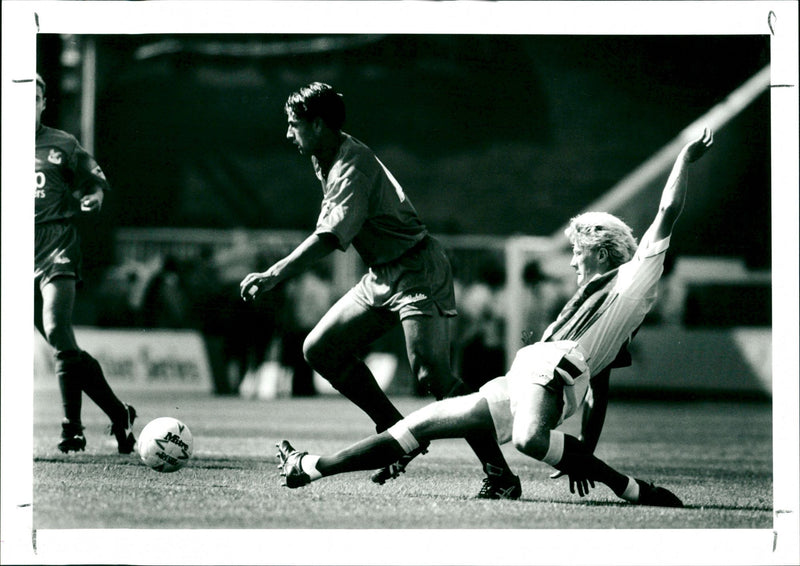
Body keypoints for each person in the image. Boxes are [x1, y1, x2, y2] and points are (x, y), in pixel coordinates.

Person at [276, 128, 714, 507]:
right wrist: (584, 449)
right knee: (417, 424)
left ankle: (632, 489)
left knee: (529, 440)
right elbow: (600, 388)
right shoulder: (595, 303)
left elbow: (665, 212)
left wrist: (683, 158)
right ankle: (311, 467)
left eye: (577, 253)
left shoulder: (634, 279)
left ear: (600, 252)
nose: (572, 262)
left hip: (551, 373)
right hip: (524, 374)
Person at [241, 82, 519, 498]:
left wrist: (276, 272)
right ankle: (396, 436)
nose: (288, 134)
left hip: (416, 268)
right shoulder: (326, 153)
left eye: (293, 125)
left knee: (431, 374)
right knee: (320, 348)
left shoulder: (352, 164)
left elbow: (329, 236)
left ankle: (500, 474)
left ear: (318, 125)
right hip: (382, 274)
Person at [34, 73, 136, 453]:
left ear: (44, 103)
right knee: (67, 348)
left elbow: (92, 183)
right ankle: (118, 413)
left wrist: (93, 197)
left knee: (57, 330)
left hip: (54, 244)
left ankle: (71, 426)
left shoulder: (62, 144)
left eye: (36, 97)